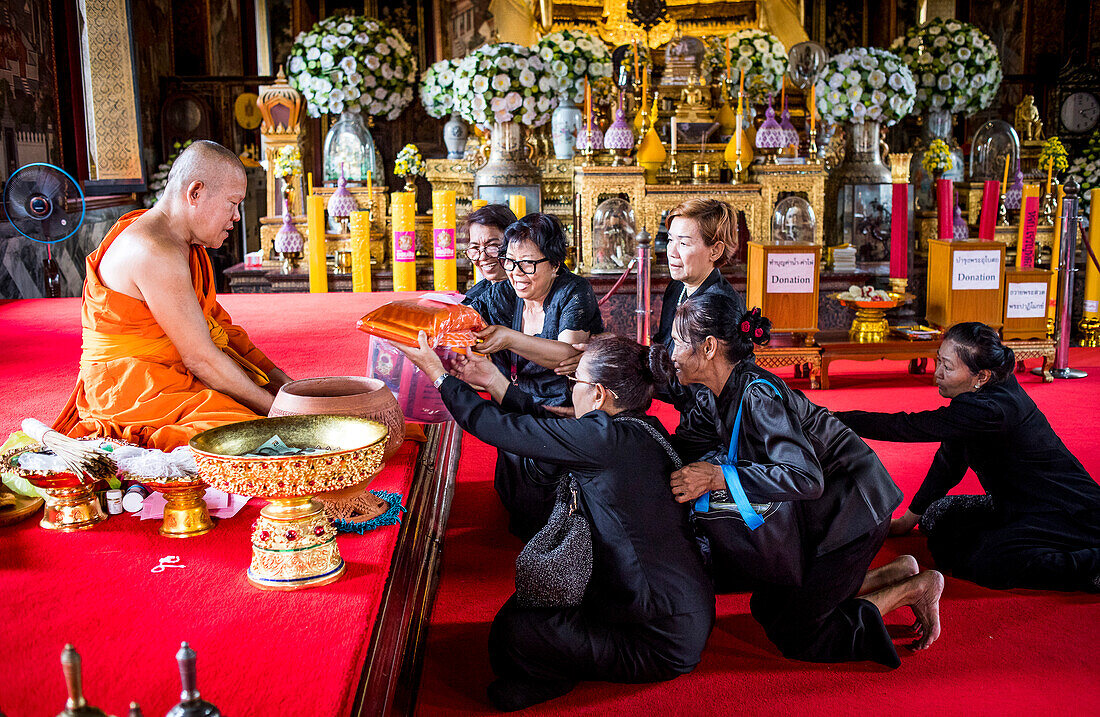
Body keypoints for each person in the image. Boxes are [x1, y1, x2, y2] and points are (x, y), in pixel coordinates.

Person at [396, 332, 714, 711]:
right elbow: (552, 427)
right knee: (525, 611)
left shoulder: (605, 441)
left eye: (575, 381)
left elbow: (506, 430)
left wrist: (437, 373)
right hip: (664, 606)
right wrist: (492, 381)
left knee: (515, 635)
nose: (570, 390)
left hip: (660, 636)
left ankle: (552, 677)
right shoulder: (639, 429)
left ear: (598, 395)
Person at [665, 292, 944, 668]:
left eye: (680, 342)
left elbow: (805, 477)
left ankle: (914, 588)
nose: (672, 352)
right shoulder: (716, 392)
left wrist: (718, 476)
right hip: (823, 513)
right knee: (768, 605)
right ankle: (896, 571)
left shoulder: (758, 395)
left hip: (855, 510)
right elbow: (682, 443)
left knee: (798, 633)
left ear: (710, 347)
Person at [53, 141, 292, 450]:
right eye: (232, 203)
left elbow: (223, 332)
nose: (236, 216)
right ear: (195, 193)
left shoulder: (183, 243)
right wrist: (280, 412)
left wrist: (288, 389)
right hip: (133, 388)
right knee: (255, 436)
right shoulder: (153, 249)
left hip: (168, 374)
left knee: (260, 416)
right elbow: (201, 359)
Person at [835, 322, 1100, 593]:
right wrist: (907, 521)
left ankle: (1091, 567)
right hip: (1014, 504)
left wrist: (833, 419)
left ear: (981, 376)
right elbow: (949, 463)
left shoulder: (992, 409)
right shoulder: (978, 396)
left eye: (947, 367)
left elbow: (906, 426)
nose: (937, 373)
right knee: (936, 520)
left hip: (1066, 511)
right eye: (938, 360)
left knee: (985, 563)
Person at [466, 213, 604, 538]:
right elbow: (462, 308)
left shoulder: (573, 291)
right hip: (520, 405)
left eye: (527, 264)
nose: (516, 273)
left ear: (555, 264)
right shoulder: (507, 290)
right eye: (510, 262)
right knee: (517, 511)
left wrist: (509, 338)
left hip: (565, 416)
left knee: (549, 519)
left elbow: (567, 354)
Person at [461, 204, 516, 305]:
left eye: (492, 246)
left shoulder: (529, 297)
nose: (482, 257)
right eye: (475, 248)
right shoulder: (472, 298)